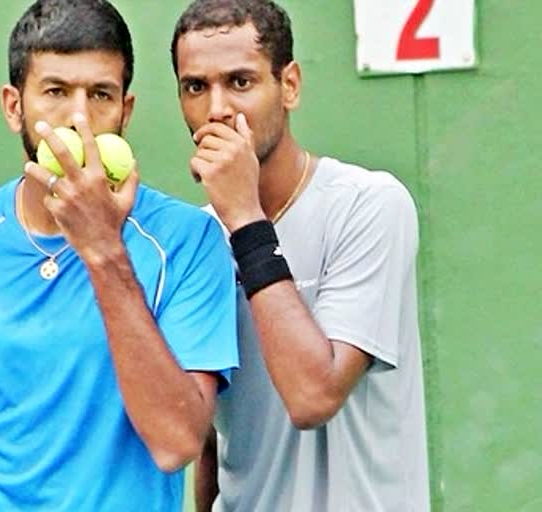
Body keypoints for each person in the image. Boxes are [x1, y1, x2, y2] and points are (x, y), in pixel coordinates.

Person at [0, 1, 239, 510]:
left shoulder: (188, 241)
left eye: (100, 95)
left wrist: (102, 250)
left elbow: (177, 442)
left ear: (125, 111)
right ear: (13, 106)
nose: (78, 118)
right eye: (55, 91)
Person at [170, 1, 431, 511]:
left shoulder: (370, 206)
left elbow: (314, 396)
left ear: (289, 85)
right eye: (196, 87)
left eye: (240, 82)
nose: (217, 108)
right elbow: (209, 440)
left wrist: (245, 217)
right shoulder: (197, 239)